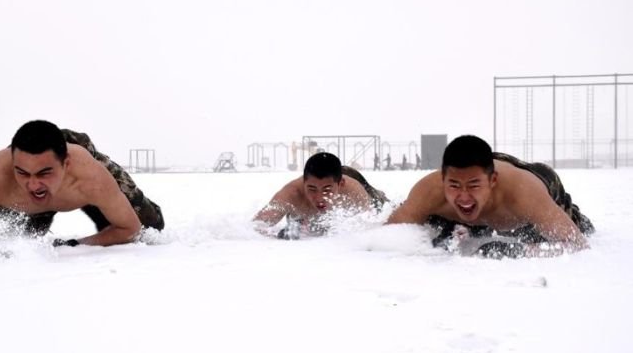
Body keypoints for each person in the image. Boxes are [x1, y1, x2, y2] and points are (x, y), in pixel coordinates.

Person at [0, 120, 164, 247]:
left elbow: (130, 228)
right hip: (30, 190)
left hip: (77, 153)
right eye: (23, 173)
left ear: (66, 165)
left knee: (151, 225)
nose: (33, 184)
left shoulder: (90, 176)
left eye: (44, 173)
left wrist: (75, 245)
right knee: (19, 243)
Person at [386, 135, 594, 258]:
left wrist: (520, 250)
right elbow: (388, 235)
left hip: (539, 181)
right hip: (483, 191)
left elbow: (577, 244)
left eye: (473, 186)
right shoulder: (429, 192)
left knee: (573, 225)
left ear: (493, 181)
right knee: (432, 227)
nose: (464, 197)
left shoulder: (524, 194)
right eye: (454, 186)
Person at [254, 152, 389, 239]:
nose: (319, 198)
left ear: (340, 184)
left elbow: (371, 229)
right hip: (330, 182)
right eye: (312, 189)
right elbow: (255, 227)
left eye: (326, 190)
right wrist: (275, 235)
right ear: (303, 182)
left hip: (355, 180)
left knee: (381, 203)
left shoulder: (354, 191)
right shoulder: (291, 194)